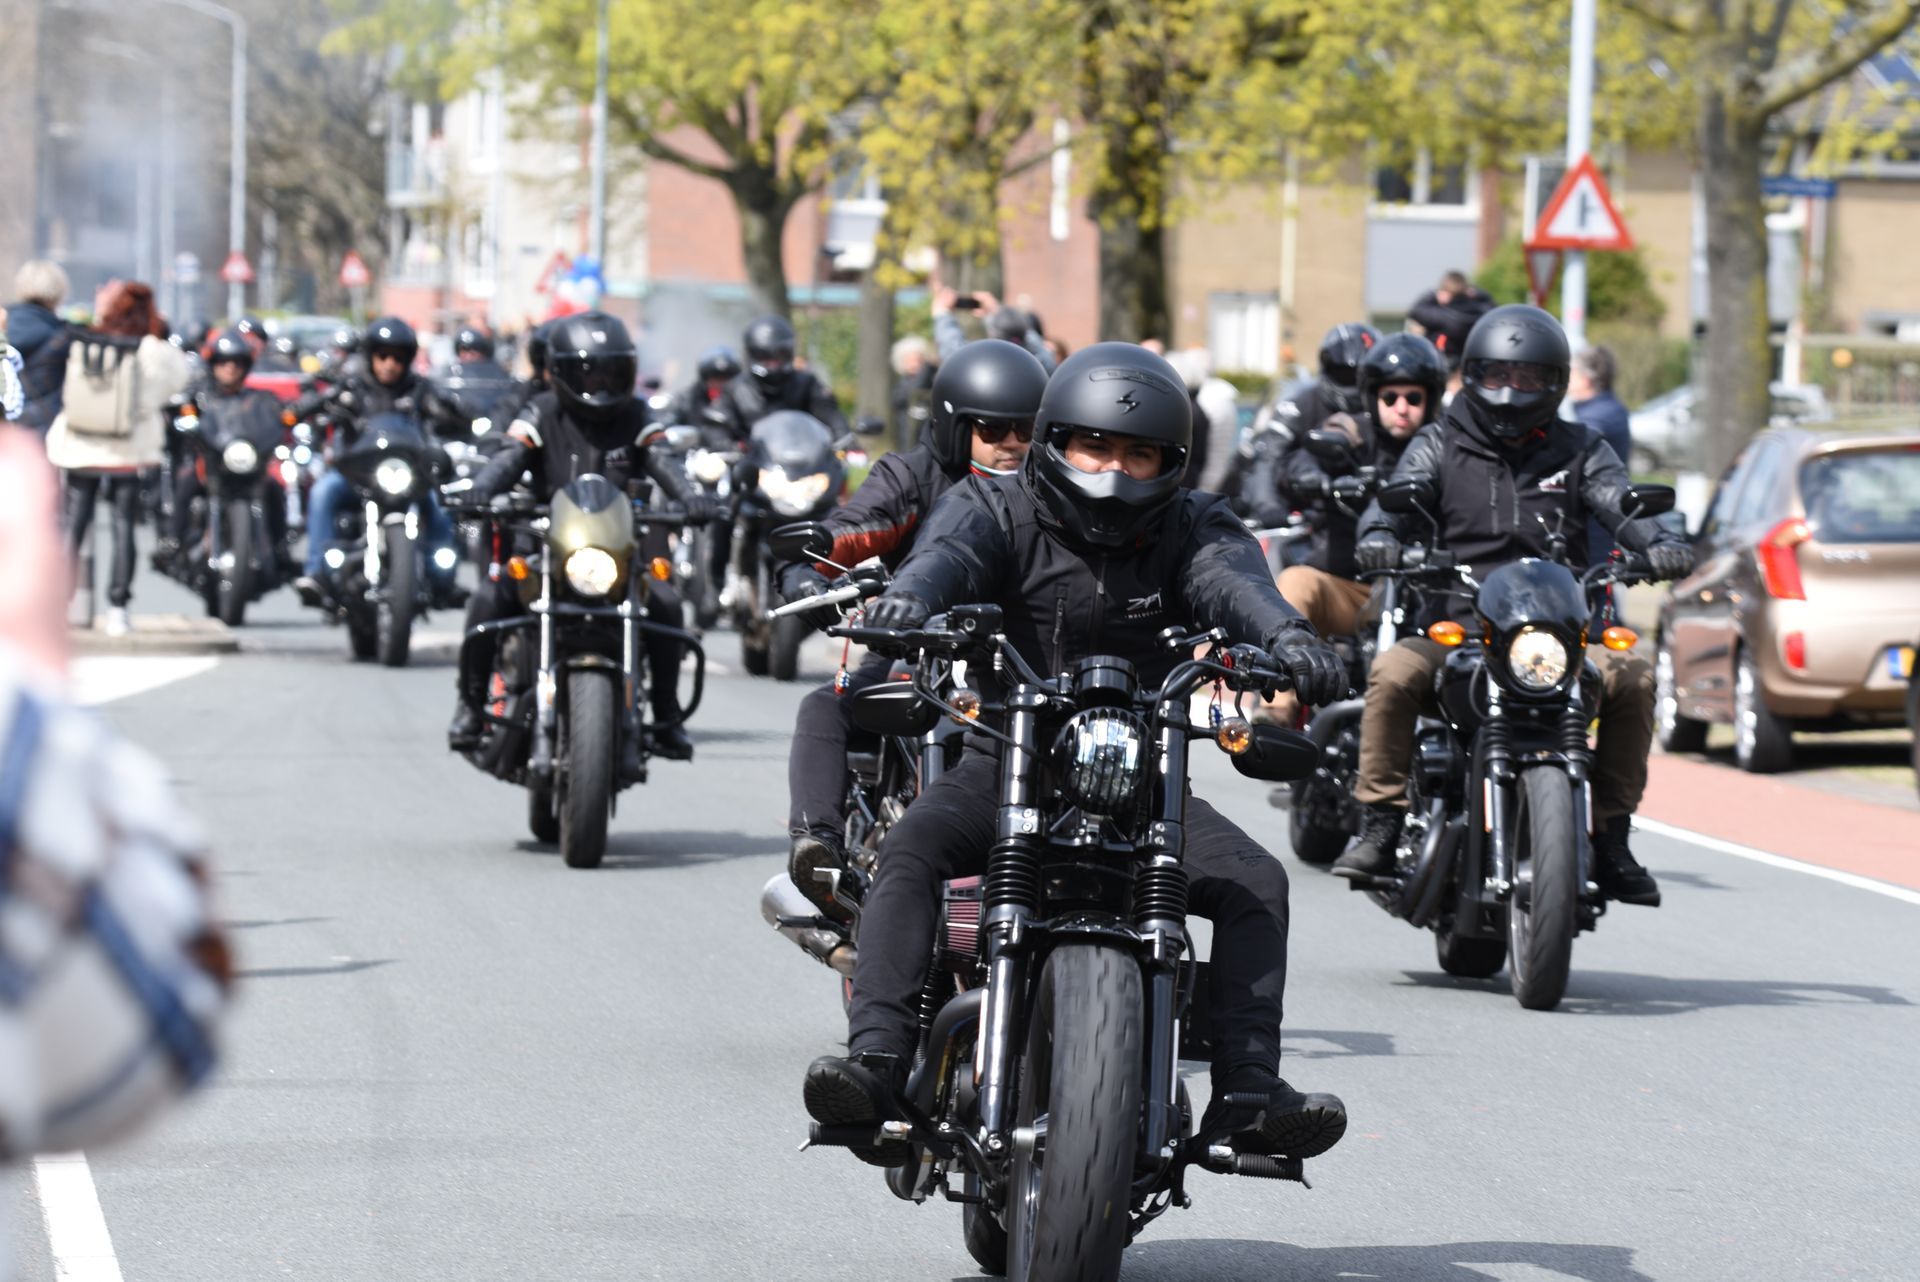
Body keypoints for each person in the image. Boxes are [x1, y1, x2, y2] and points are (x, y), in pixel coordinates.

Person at [800, 342, 1352, 1169]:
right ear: (1055, 439)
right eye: (1095, 445)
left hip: (1145, 777)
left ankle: (1247, 1093)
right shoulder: (995, 508)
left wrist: (1287, 635)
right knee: (912, 848)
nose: (1115, 470)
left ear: (1173, 460)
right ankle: (877, 1060)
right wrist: (910, 599)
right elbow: (946, 556)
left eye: (1139, 453)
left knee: (1255, 881)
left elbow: (1234, 579)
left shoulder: (1193, 524)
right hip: (1009, 761)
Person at [1334, 305, 1693, 905]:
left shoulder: (1581, 448)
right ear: (1472, 375)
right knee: (1393, 671)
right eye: (1497, 375)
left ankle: (1612, 834)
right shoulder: (1439, 442)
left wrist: (1661, 544)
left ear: (1552, 383)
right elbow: (1391, 507)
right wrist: (1380, 538)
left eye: (1526, 378)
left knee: (1633, 675)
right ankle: (1381, 820)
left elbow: (1623, 504)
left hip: (1560, 636)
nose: (1509, 391)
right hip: (1460, 626)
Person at [775, 339, 1049, 926]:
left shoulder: (1054, 492)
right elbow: (858, 527)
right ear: (954, 427)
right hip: (915, 652)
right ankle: (819, 852)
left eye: (1026, 429)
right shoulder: (915, 477)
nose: (1011, 444)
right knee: (826, 709)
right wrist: (811, 562)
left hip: (1021, 667)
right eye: (993, 429)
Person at [445, 312, 715, 763]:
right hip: (545, 548)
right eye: (589, 370)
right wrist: (482, 490)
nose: (601, 381)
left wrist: (691, 496)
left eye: (612, 370)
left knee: (667, 603)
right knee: (489, 600)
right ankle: (469, 708)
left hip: (618, 551)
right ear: (561, 370)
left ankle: (667, 715)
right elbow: (510, 458)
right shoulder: (542, 410)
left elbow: (663, 460)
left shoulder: (636, 416)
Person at [1261, 332, 1447, 727]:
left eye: (1413, 399)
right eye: (1390, 398)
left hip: (1429, 598)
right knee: (1296, 582)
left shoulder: (1449, 444)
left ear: (1430, 399)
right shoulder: (1351, 429)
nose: (1401, 408)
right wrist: (1323, 481)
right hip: (1351, 588)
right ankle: (1277, 711)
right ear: (1372, 397)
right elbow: (1299, 461)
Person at [43, 281, 190, 637]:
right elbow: (180, 381)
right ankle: (118, 608)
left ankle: (57, 606)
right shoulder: (154, 350)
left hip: (79, 443)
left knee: (74, 525)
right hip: (130, 447)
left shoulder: (82, 341)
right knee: (124, 525)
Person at [290, 316, 464, 606]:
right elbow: (311, 409)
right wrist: (322, 407)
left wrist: (457, 413)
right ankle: (317, 572)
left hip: (406, 474)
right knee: (322, 492)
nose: (389, 364)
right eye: (382, 356)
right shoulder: (353, 387)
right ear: (370, 356)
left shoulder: (420, 389)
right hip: (357, 475)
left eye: (397, 357)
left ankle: (443, 577)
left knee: (439, 503)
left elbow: (453, 411)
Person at [156, 329, 290, 573]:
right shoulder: (199, 394)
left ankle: (281, 550)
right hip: (211, 464)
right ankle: (172, 541)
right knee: (185, 482)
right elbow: (179, 410)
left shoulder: (257, 399)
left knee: (274, 489)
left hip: (246, 464)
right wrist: (180, 412)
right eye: (223, 362)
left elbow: (278, 416)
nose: (230, 368)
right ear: (213, 364)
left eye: (237, 363)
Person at [1239, 323, 1379, 528]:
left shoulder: (1387, 407)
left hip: (1368, 519)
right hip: (1303, 520)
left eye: (1360, 377)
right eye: (1345, 375)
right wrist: (1268, 506)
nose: (1353, 385)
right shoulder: (1299, 405)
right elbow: (1268, 458)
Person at [1568, 345, 1632, 569]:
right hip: (1594, 522)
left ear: (1587, 379)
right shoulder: (1606, 409)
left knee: (1595, 586)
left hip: (1595, 526)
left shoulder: (1599, 416)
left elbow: (1573, 450)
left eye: (1572, 373)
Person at [6, 260, 75, 432]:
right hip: (47, 432)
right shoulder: (64, 337)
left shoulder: (3, 327)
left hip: (6, 430)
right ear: (60, 291)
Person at [931, 287, 1058, 371]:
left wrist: (942, 315)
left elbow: (955, 355)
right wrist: (996, 311)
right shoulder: (1038, 364)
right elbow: (1039, 349)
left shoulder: (990, 361)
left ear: (993, 332)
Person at [1406, 270, 1495, 372]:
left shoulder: (1441, 314)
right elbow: (1494, 308)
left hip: (1443, 366)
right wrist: (1478, 293)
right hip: (1470, 366)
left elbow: (1416, 310)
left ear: (1445, 293)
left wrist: (1434, 294)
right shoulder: (1480, 311)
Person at [887, 335, 936, 447]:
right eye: (910, 360)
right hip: (909, 437)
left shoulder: (931, 378)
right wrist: (927, 368)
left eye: (918, 359)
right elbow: (913, 391)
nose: (915, 364)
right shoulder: (903, 384)